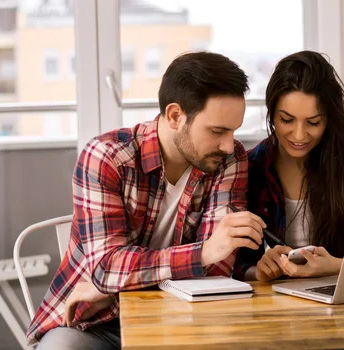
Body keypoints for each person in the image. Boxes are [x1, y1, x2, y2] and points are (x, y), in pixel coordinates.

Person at [28, 51, 266, 349]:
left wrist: (112, 285)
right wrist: (202, 252)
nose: (229, 144)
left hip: (183, 316)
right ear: (175, 115)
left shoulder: (227, 159)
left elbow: (216, 274)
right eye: (217, 131)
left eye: (233, 130)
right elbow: (106, 268)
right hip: (95, 323)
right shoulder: (106, 157)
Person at [233, 50, 344, 282]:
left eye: (314, 122)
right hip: (280, 301)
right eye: (286, 120)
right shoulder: (253, 166)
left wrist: (336, 266)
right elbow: (238, 265)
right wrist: (260, 270)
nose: (299, 135)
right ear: (272, 115)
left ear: (329, 118)